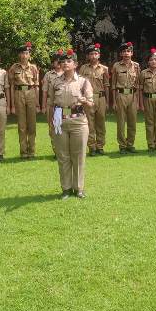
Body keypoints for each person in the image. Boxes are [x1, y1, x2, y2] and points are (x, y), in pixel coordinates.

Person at [48, 49, 94, 199]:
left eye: (69, 61)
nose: (65, 64)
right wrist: (51, 124)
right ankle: (66, 188)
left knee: (79, 156)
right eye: (63, 61)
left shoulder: (83, 82)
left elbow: (91, 104)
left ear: (75, 64)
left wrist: (85, 101)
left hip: (78, 121)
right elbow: (51, 104)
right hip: (60, 120)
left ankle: (79, 188)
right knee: (63, 156)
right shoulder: (55, 82)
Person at [9, 42, 40, 159]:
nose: (24, 55)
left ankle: (32, 151)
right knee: (22, 125)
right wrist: (11, 104)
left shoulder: (33, 68)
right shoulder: (14, 68)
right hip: (18, 93)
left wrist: (37, 103)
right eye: (22, 53)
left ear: (29, 55)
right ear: (19, 55)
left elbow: (36, 85)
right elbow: (11, 86)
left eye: (26, 53)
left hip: (31, 93)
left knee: (32, 124)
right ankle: (23, 152)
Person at [78, 43, 110, 156]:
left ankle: (100, 146)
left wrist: (108, 101)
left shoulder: (104, 69)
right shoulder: (83, 68)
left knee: (101, 123)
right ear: (88, 56)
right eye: (91, 54)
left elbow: (106, 85)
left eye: (96, 53)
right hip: (88, 99)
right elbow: (79, 84)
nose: (94, 56)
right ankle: (91, 147)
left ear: (99, 55)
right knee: (89, 123)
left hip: (101, 97)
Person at [110, 41, 140, 154]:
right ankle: (122, 145)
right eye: (124, 51)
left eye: (128, 51)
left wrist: (137, 100)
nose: (126, 53)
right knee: (121, 122)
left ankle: (130, 144)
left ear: (132, 53)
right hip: (120, 94)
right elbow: (113, 85)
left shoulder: (136, 66)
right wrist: (114, 101)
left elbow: (138, 84)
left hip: (132, 95)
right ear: (121, 54)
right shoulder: (116, 66)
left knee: (132, 121)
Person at [41, 49, 64, 157]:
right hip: (51, 104)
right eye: (56, 61)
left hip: (63, 104)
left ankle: (64, 150)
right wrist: (44, 106)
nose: (58, 63)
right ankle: (56, 150)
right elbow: (44, 91)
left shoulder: (67, 73)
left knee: (64, 126)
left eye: (60, 61)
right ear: (53, 63)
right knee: (52, 127)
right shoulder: (48, 75)